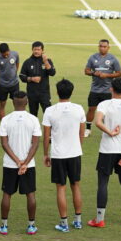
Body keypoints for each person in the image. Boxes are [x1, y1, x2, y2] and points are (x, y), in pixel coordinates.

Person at [89, 78, 121, 228]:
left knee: (103, 183)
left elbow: (97, 122)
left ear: (111, 89)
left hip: (106, 150)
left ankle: (100, 220)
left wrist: (110, 132)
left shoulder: (104, 104)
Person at [42, 79, 86, 232]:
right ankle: (78, 221)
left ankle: (64, 223)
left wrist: (45, 154)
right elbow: (82, 133)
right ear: (71, 92)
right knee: (76, 186)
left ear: (57, 92)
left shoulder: (50, 110)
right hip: (75, 153)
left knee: (61, 188)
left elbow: (46, 135)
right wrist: (77, 147)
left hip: (58, 154)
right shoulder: (79, 109)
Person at [0, 91, 42, 236]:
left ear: (13, 102)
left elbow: (4, 144)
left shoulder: (6, 120)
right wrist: (24, 163)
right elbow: (35, 144)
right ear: (27, 102)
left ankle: (4, 226)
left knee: (7, 194)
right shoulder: (33, 119)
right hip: (28, 165)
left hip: (10, 164)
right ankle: (31, 226)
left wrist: (17, 162)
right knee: (30, 194)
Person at [84, 39, 121, 137]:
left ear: (108, 48)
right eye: (101, 46)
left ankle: (107, 128)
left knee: (108, 111)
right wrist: (93, 73)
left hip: (107, 90)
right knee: (91, 108)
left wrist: (107, 76)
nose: (102, 48)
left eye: (104, 46)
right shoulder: (93, 58)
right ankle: (88, 129)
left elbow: (119, 73)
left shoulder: (113, 59)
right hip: (95, 89)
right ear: (98, 47)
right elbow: (86, 71)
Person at [19, 41, 56, 117]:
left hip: (44, 93)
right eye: (35, 49)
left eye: (38, 49)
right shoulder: (27, 62)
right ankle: (34, 129)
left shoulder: (48, 61)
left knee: (48, 114)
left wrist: (45, 61)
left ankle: (49, 129)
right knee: (32, 115)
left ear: (42, 50)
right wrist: (31, 79)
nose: (36, 51)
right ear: (32, 50)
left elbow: (52, 73)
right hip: (32, 94)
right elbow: (22, 76)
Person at [0, 43, 20, 120]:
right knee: (2, 104)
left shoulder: (15, 54)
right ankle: (3, 125)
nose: (5, 55)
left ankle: (16, 122)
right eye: (3, 54)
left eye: (7, 54)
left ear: (9, 50)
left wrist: (14, 73)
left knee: (16, 104)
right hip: (2, 85)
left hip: (14, 84)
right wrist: (3, 76)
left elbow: (17, 64)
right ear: (0, 52)